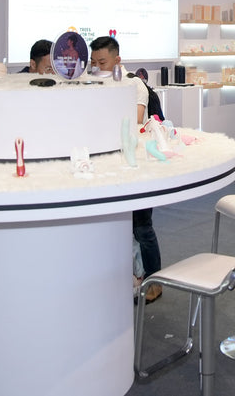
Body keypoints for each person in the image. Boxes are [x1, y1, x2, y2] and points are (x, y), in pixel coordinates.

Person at [89, 35, 161, 303]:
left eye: (102, 62)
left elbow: (136, 121)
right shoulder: (94, 83)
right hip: (107, 162)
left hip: (136, 163)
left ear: (117, 60)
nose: (97, 68)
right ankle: (129, 277)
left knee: (142, 226)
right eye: (93, 62)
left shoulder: (134, 84)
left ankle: (155, 281)